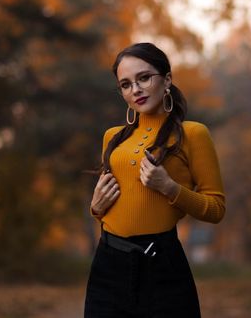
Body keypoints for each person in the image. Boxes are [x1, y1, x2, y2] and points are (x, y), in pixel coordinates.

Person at [84, 42, 226, 318]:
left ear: (167, 80)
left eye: (144, 78)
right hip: (108, 265)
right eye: (126, 84)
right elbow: (109, 204)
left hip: (162, 266)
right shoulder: (112, 138)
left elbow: (216, 209)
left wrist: (169, 187)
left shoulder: (193, 134)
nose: (135, 89)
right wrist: (95, 208)